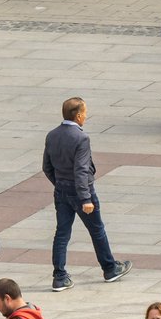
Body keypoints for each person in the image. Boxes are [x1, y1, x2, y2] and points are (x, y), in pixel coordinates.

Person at [43, 96, 129, 289]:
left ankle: (59, 276)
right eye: (85, 113)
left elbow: (46, 166)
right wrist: (85, 198)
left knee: (62, 233)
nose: (86, 116)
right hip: (81, 191)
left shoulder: (52, 135)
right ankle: (109, 268)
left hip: (61, 191)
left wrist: (59, 184)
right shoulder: (81, 138)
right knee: (97, 229)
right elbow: (81, 170)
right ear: (79, 115)